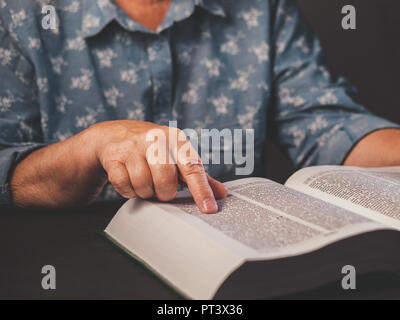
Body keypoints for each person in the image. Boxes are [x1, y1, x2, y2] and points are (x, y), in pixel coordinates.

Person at [0, 0, 399, 214]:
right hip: (74, 270)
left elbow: (325, 125)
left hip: (235, 255)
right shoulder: (19, 14)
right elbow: (7, 169)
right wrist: (90, 147)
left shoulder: (263, 7)